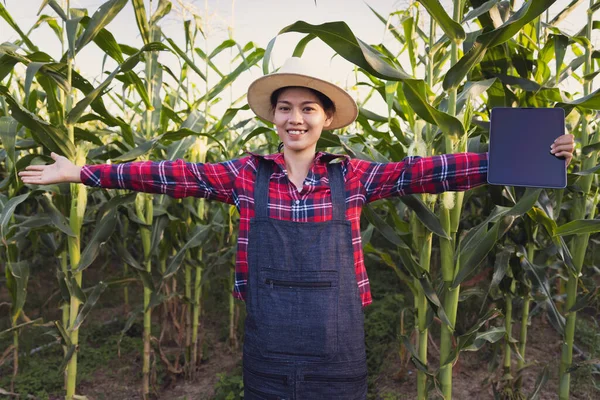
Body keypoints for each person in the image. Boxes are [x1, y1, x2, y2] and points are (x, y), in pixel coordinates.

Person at [19, 57, 575, 399]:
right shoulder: (244, 174)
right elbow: (171, 174)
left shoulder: (353, 176)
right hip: (268, 345)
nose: (295, 118)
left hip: (337, 348)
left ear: (326, 120)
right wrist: (85, 172)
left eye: (309, 109)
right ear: (273, 118)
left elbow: (425, 173)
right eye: (285, 108)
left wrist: (530, 155)